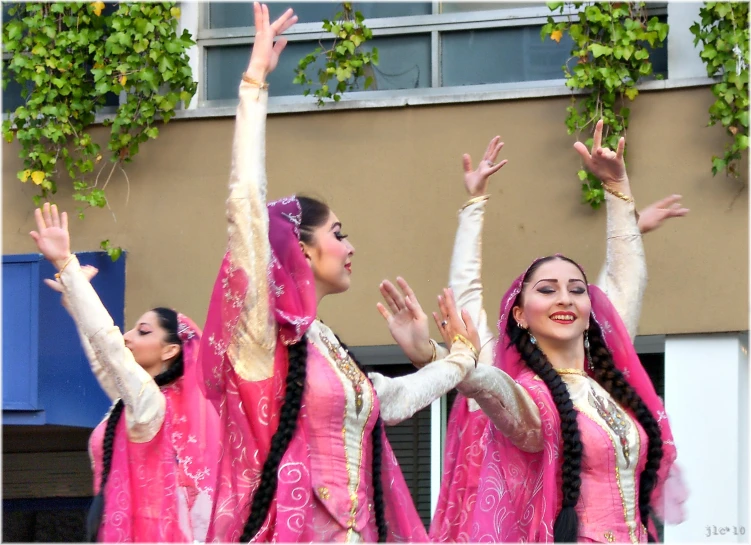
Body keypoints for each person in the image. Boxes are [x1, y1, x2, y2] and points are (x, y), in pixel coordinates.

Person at [198, 4, 482, 542]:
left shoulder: (325, 345)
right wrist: (254, 84)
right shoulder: (262, 337)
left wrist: (458, 358)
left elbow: (390, 401)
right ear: (300, 248)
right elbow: (246, 206)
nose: (350, 247)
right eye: (339, 233)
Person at [381, 123, 688, 543]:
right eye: (547, 290)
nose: (565, 299)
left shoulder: (605, 384)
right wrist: (438, 357)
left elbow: (625, 279)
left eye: (577, 290)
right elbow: (483, 375)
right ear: (521, 315)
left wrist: (618, 188)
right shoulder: (530, 397)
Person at [29, 203, 218, 542]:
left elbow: (110, 347)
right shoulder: (136, 405)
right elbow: (105, 360)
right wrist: (75, 296)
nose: (129, 335)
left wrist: (66, 266)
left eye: (143, 331)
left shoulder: (153, 408)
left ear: (171, 350)